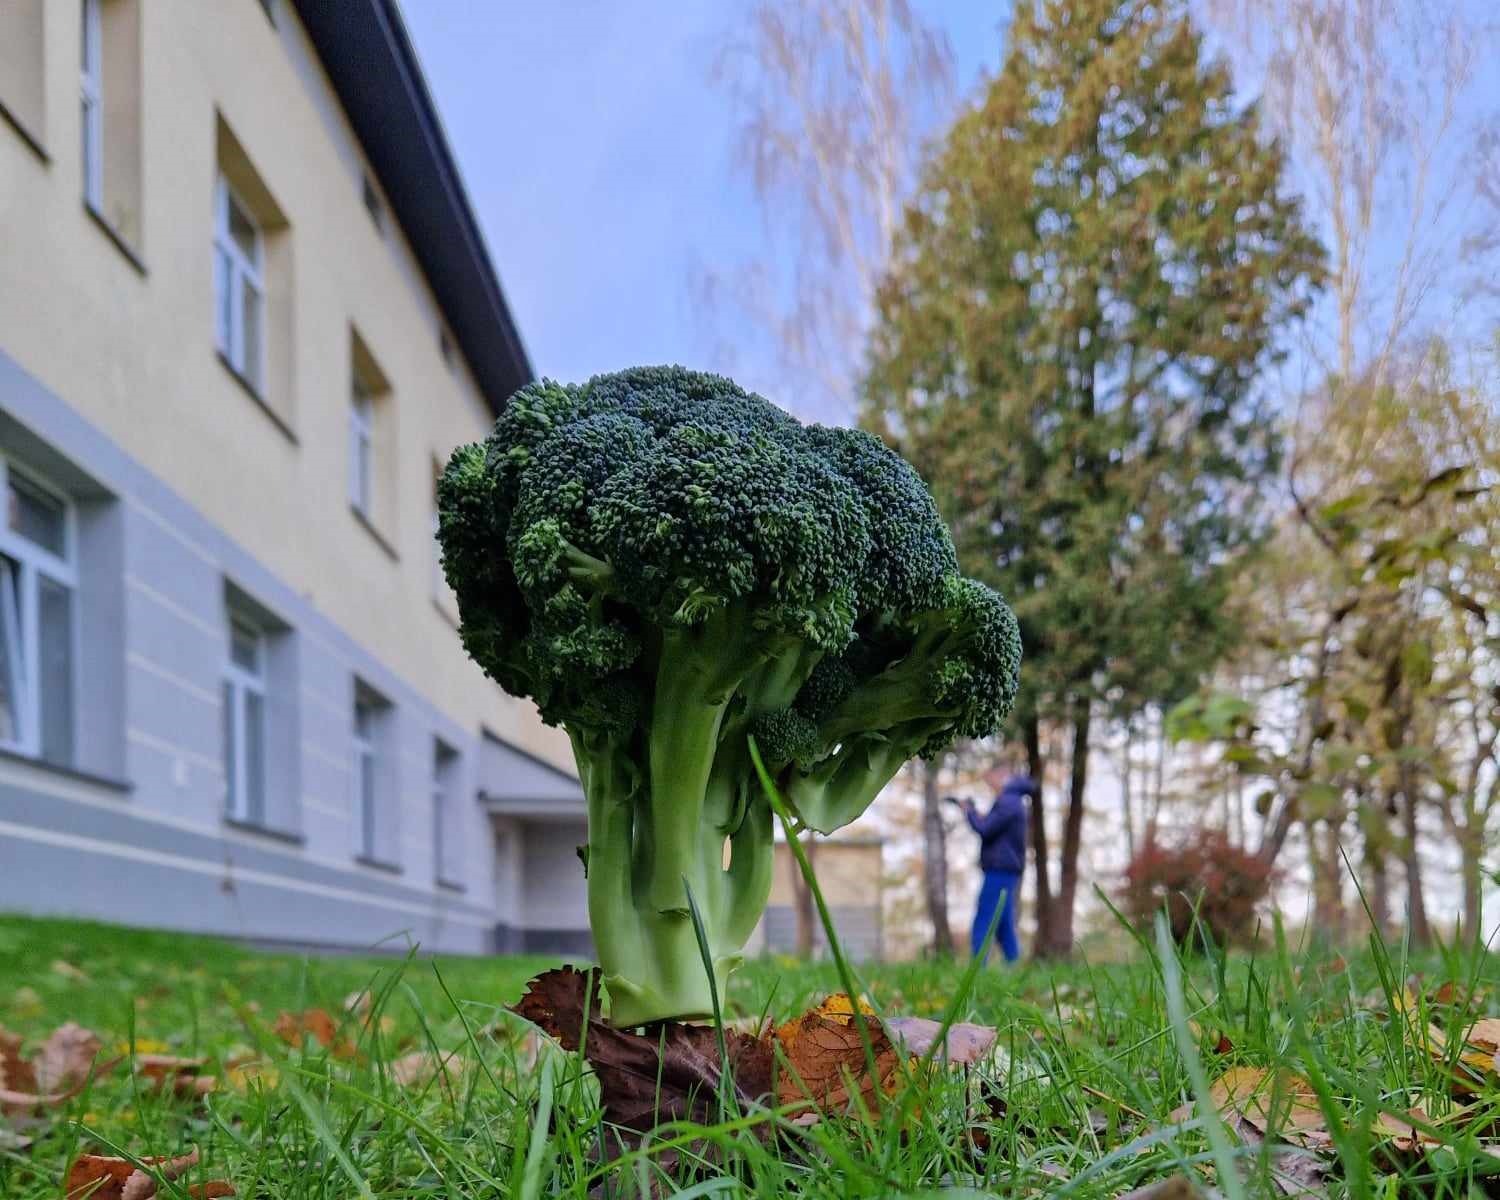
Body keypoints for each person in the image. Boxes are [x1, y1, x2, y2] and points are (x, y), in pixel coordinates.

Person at [951, 763, 1035, 963]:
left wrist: (969, 811)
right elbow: (993, 826)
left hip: (1000, 869)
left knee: (984, 916)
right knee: (1003, 922)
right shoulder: (1012, 802)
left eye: (991, 779)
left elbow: (986, 829)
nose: (989, 784)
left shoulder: (1008, 802)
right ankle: (1013, 964)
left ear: (1003, 775)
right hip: (1006, 869)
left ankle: (978, 968)